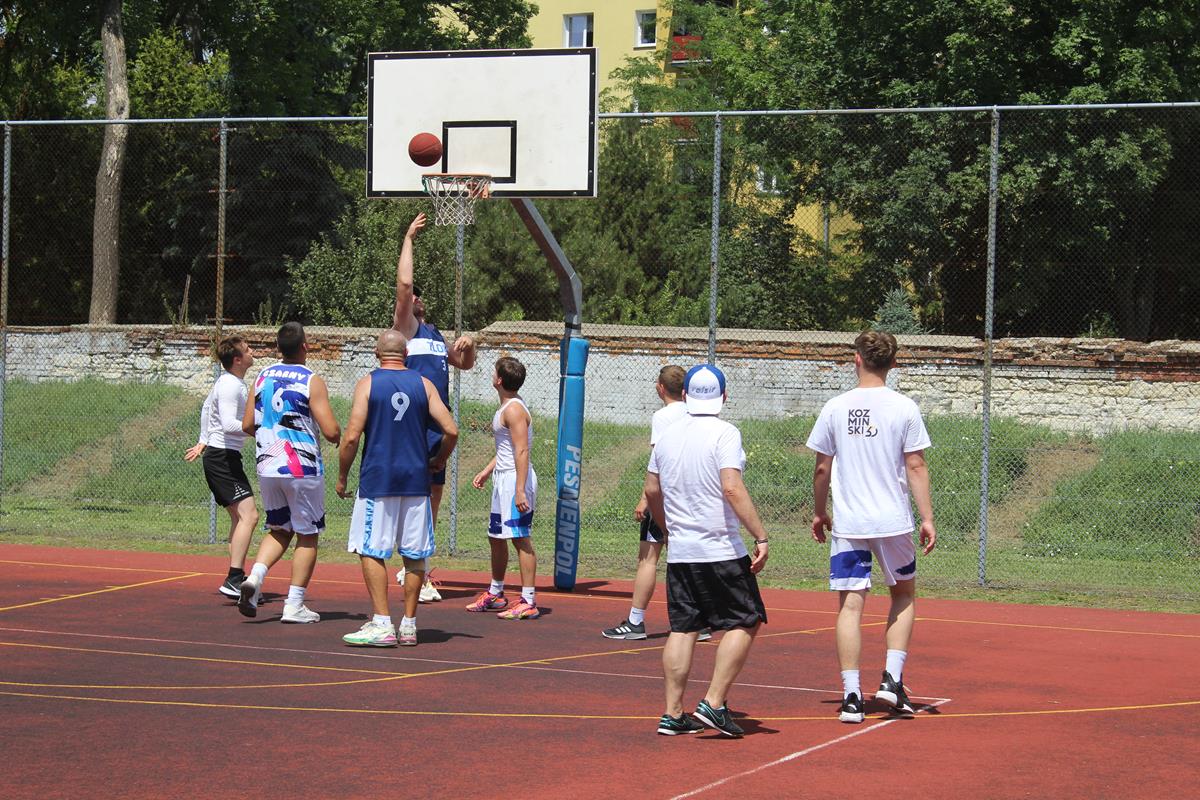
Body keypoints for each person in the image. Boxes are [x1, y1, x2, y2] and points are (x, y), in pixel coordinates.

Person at [805, 329, 936, 724]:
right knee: (904, 594)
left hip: (850, 522)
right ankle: (891, 679)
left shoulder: (835, 407)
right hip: (892, 521)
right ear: (893, 363)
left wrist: (819, 511)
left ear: (857, 359)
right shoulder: (904, 407)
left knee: (850, 605)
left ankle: (851, 696)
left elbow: (822, 468)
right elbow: (915, 464)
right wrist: (927, 517)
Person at [646, 364, 770, 738]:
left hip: (682, 552)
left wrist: (668, 529)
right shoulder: (725, 432)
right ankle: (714, 703)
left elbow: (652, 490)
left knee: (683, 628)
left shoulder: (666, 435)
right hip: (719, 548)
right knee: (746, 620)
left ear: (685, 395)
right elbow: (731, 487)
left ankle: (673, 713)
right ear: (724, 397)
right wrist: (760, 535)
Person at [336, 329, 459, 647]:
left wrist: (342, 475)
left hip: (379, 479)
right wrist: (439, 460)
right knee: (414, 555)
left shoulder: (368, 383)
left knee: (370, 550)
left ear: (377, 354)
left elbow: (351, 436)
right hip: (416, 481)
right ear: (406, 354)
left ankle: (381, 623)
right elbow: (451, 430)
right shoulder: (424, 384)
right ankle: (409, 625)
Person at [391, 212, 477, 601]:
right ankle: (418, 571)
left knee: (432, 500)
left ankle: (415, 564)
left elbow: (465, 364)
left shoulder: (434, 334)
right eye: (413, 296)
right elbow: (404, 285)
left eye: (419, 295)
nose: (417, 296)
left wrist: (470, 345)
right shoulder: (405, 329)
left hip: (435, 430)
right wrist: (409, 238)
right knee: (417, 501)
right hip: (413, 426)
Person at [236, 322, 341, 623]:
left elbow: (247, 425)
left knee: (279, 529)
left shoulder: (262, 376)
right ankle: (294, 604)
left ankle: (254, 579)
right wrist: (337, 435)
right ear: (305, 346)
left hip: (268, 465)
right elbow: (331, 429)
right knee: (307, 534)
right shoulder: (311, 380)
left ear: (278, 348)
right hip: (301, 467)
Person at [602, 365, 709, 642]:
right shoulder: (696, 413)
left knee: (648, 560)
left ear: (660, 388)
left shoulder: (663, 416)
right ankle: (699, 622)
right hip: (692, 496)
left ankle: (635, 622)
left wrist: (645, 499)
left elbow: (657, 462)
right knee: (688, 558)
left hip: (666, 497)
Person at [185, 335, 260, 598]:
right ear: (237, 359)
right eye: (248, 349)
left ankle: (236, 576)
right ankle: (234, 579)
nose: (252, 352)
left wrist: (203, 440)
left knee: (240, 519)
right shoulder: (230, 385)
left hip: (223, 456)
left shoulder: (230, 382)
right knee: (250, 516)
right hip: (222, 459)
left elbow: (207, 408)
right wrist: (261, 429)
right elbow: (228, 424)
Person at [467, 356, 540, 620]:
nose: (491, 374)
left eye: (493, 372)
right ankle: (496, 593)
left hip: (515, 481)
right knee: (496, 537)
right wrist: (487, 471)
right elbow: (507, 449)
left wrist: (520, 489)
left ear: (499, 380)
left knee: (520, 538)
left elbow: (522, 450)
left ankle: (528, 601)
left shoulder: (514, 410)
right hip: (503, 478)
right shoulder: (506, 407)